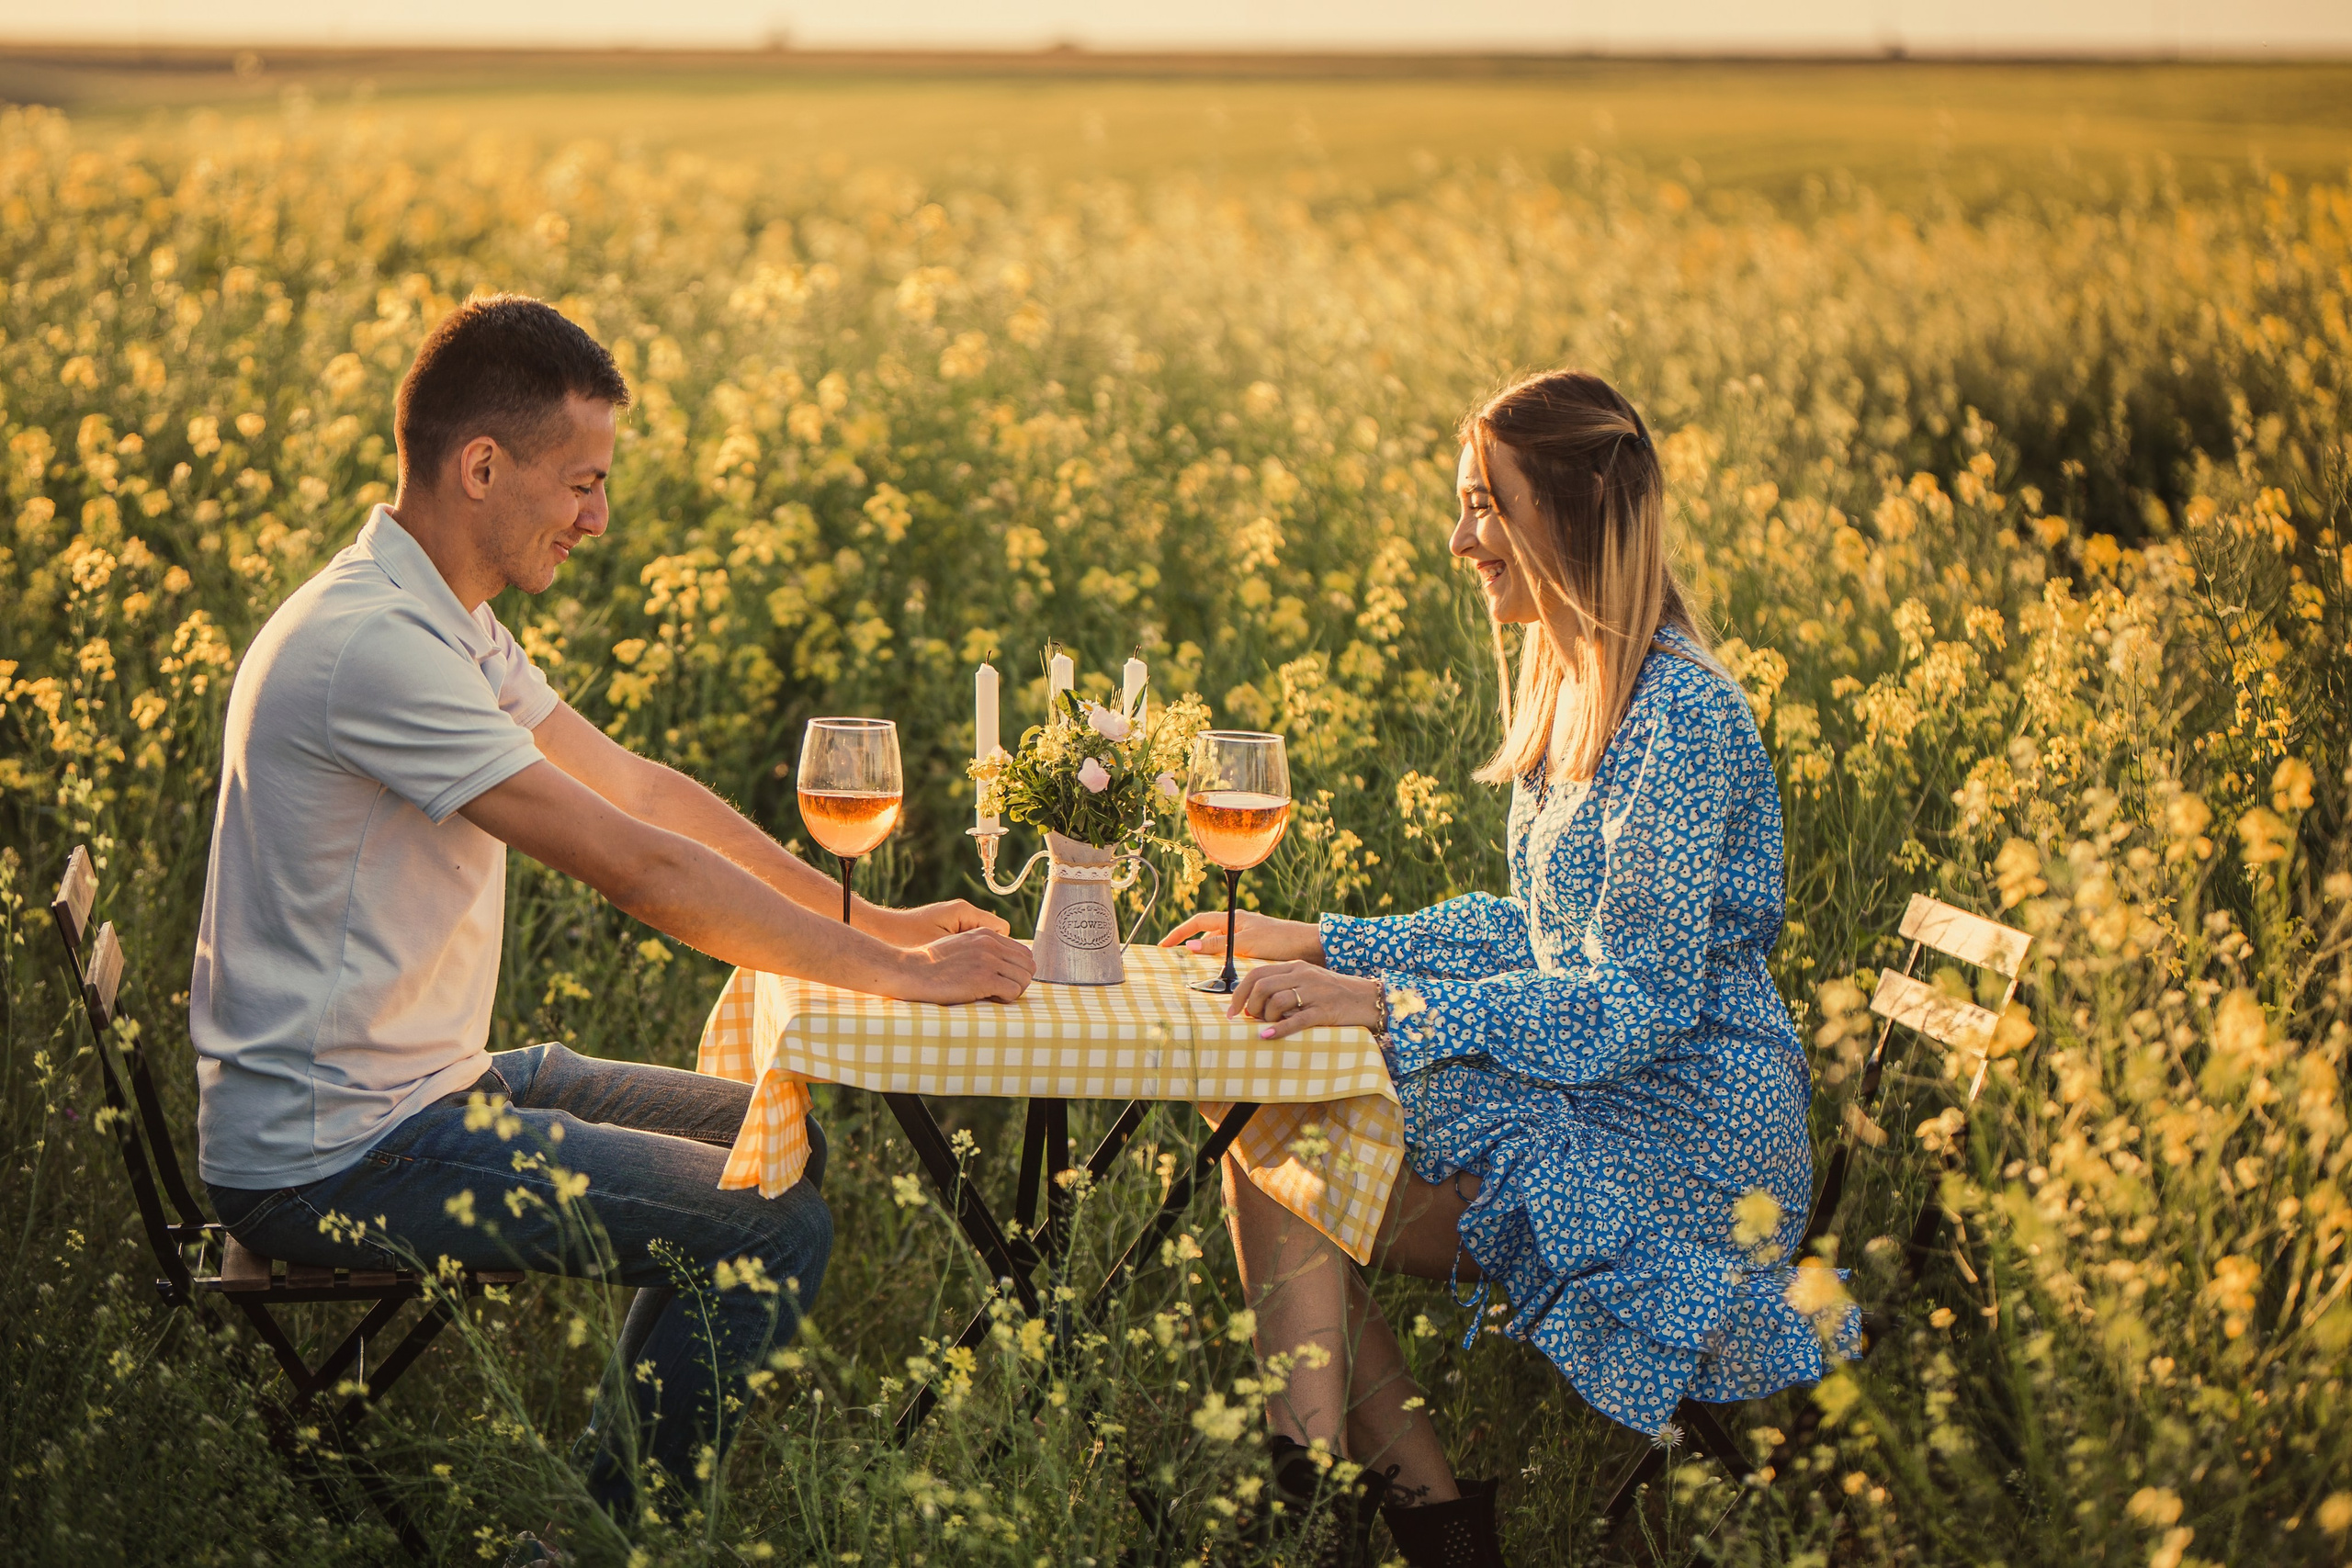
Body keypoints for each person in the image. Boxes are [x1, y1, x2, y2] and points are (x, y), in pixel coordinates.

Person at [190, 295, 1036, 1522]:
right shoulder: (371, 647)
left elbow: (640, 793)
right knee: (768, 1229)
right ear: (483, 467)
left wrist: (890, 926)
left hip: (418, 1088)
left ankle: (616, 1494)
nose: (599, 517)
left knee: (773, 1134)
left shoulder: (440, 614)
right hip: (341, 1150)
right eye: (582, 482)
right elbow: (635, 868)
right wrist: (894, 978)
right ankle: (598, 1547)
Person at [1162, 369, 1857, 1567]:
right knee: (1265, 1112)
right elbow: (1531, 934)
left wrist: (1383, 1003)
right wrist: (1330, 944)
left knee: (1292, 1131)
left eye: (1488, 505)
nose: (1459, 539)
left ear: (1575, 513)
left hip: (1687, 1137)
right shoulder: (1583, 683)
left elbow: (1634, 1002)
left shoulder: (1679, 719)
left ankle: (1333, 1518)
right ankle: (1392, 1519)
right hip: (1614, 1091)